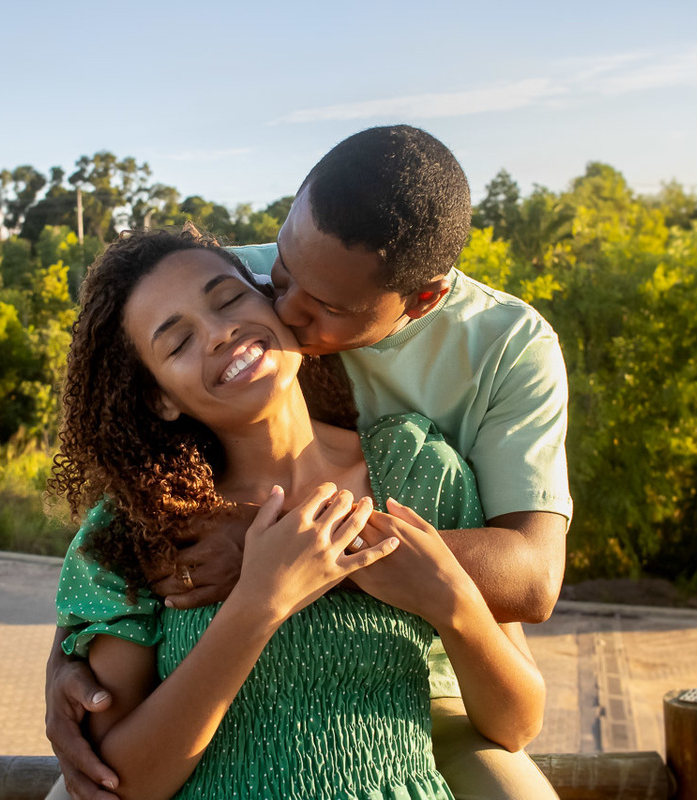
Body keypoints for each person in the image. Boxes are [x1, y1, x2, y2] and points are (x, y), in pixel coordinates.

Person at [47, 125, 570, 799]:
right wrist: (66, 659)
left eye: (324, 306)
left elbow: (531, 582)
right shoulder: (226, 280)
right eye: (278, 276)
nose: (283, 310)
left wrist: (303, 555)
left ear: (422, 299)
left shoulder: (497, 363)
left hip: (428, 695)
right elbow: (122, 412)